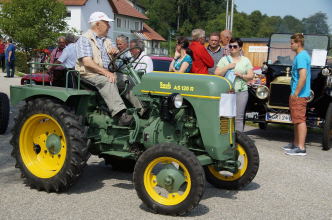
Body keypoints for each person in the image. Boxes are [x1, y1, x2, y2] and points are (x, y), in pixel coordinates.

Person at [76, 11, 132, 126]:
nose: (109, 26)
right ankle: (121, 114)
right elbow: (87, 62)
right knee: (108, 81)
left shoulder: (108, 40)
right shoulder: (84, 39)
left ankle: (142, 110)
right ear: (97, 24)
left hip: (105, 72)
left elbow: (113, 61)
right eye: (107, 23)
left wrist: (115, 54)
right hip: (89, 74)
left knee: (127, 79)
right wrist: (106, 72)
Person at [215, 38, 254, 132]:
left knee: (239, 118)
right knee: (225, 116)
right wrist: (227, 67)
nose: (232, 48)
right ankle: (224, 138)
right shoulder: (224, 59)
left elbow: (251, 76)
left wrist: (241, 75)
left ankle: (238, 140)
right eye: (230, 46)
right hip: (227, 92)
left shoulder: (245, 60)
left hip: (241, 92)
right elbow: (216, 74)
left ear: (240, 48)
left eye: (235, 46)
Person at [283, 33, 311, 156]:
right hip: (297, 94)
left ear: (298, 43)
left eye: (292, 43)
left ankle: (301, 147)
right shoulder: (301, 55)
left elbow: (303, 77)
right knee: (296, 119)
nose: (290, 45)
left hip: (299, 94)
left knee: (300, 120)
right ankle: (295, 144)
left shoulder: (301, 57)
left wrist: (296, 93)